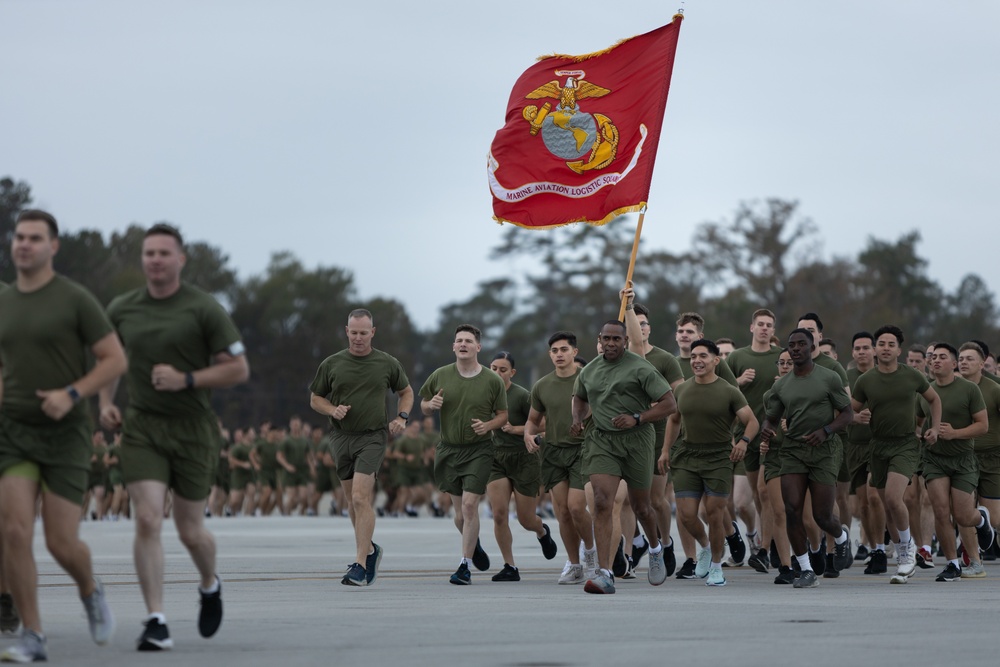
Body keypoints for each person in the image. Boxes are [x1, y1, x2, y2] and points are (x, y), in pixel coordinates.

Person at [100, 223, 250, 651]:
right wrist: (105, 401)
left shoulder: (203, 308)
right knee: (147, 518)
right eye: (149, 253)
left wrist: (188, 378)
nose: (156, 260)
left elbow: (237, 369)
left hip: (193, 430)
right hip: (142, 427)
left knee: (190, 531)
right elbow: (110, 357)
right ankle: (156, 620)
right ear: (142, 259)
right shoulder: (123, 308)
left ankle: (208, 582)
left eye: (164, 253)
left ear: (180, 259)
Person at [0, 209, 126, 662]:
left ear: (53, 246)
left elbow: (114, 359)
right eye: (19, 237)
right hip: (14, 432)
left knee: (60, 542)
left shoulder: (75, 300)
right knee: (13, 530)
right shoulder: (5, 301)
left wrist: (72, 393)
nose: (25, 244)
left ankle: (90, 591)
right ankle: (32, 633)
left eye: (35, 238)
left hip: (65, 433)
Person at [308, 309, 413, 586]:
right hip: (341, 437)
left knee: (359, 498)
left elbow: (406, 392)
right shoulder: (332, 364)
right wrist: (332, 409)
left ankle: (359, 564)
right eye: (353, 333)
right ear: (346, 331)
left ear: (373, 333)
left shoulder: (387, 363)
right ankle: (369, 550)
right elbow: (315, 398)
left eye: (363, 333)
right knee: (352, 503)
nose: (358, 338)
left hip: (373, 437)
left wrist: (401, 417)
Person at [572, 320, 677, 594]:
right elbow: (580, 397)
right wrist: (577, 419)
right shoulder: (590, 369)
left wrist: (638, 418)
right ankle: (605, 573)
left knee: (642, 507)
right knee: (602, 502)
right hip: (602, 441)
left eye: (616, 339)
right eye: (605, 338)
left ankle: (655, 548)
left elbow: (669, 404)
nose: (610, 344)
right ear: (599, 338)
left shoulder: (641, 367)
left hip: (637, 441)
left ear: (626, 341)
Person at [660, 339, 759, 586]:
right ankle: (704, 546)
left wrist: (744, 442)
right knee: (686, 515)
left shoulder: (729, 390)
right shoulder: (681, 390)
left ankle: (716, 566)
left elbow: (752, 421)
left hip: (718, 458)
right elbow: (673, 421)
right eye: (693, 356)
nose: (696, 360)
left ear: (716, 361)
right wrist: (665, 451)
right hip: (686, 456)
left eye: (703, 356)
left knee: (715, 514)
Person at [760, 329, 853, 589]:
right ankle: (806, 569)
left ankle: (841, 535)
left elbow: (847, 414)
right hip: (792, 451)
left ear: (813, 347)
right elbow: (771, 416)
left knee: (822, 516)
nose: (796, 349)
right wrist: (768, 427)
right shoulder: (781, 385)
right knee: (792, 510)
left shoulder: (829, 378)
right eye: (792, 345)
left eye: (802, 344)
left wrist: (826, 431)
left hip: (824, 451)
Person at [850, 325, 940, 584]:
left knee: (892, 496)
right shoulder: (865, 380)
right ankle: (903, 556)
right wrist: (857, 417)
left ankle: (909, 549)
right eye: (882, 344)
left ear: (899, 350)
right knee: (888, 507)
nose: (886, 348)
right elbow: (849, 412)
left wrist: (932, 427)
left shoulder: (912, 375)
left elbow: (934, 399)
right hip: (877, 446)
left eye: (891, 344)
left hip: (905, 444)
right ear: (876, 349)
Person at [419, 324, 507, 585]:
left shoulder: (492, 381)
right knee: (459, 516)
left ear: (478, 347)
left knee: (470, 507)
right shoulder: (440, 375)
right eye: (459, 341)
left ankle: (464, 566)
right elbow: (423, 405)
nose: (463, 344)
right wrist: (430, 405)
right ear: (453, 346)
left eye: (469, 341)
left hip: (478, 450)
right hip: (448, 449)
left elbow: (503, 416)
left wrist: (487, 426)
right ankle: (474, 546)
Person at [524, 332, 598, 584]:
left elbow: (602, 409)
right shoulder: (542, 385)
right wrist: (527, 435)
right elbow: (533, 420)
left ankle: (590, 552)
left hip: (583, 450)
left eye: (564, 350)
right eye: (554, 351)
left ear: (574, 352)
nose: (559, 354)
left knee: (577, 507)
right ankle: (574, 564)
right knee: (563, 513)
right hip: (553, 453)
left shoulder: (588, 379)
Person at [918, 343, 992, 581]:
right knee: (940, 511)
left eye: (942, 357)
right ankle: (952, 563)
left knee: (963, 516)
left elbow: (983, 425)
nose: (936, 360)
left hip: (963, 460)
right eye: (933, 357)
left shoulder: (969, 390)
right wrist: (923, 434)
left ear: (953, 363)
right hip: (935, 459)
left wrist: (954, 433)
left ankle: (981, 519)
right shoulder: (925, 392)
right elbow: (917, 423)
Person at [485, 352, 558, 581]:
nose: (497, 373)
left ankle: (541, 531)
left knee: (525, 519)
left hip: (524, 457)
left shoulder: (522, 396)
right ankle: (510, 566)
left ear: (512, 373)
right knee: (499, 514)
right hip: (496, 458)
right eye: (494, 368)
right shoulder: (484, 394)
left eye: (503, 369)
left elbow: (543, 424)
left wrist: (516, 429)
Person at [726, 309, 783, 573]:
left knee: (764, 491)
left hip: (772, 435)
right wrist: (739, 381)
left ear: (773, 330)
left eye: (769, 325)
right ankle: (763, 539)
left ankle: (765, 549)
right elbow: (720, 390)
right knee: (754, 500)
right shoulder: (737, 357)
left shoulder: (781, 358)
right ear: (751, 328)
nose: (764, 329)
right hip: (744, 436)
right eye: (760, 324)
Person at [958, 341, 1000, 577]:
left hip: (993, 458)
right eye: (961, 358)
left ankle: (985, 522)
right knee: (962, 511)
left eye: (969, 359)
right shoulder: (951, 387)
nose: (964, 362)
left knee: (994, 517)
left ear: (982, 364)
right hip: (962, 458)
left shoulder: (994, 390)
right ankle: (975, 562)